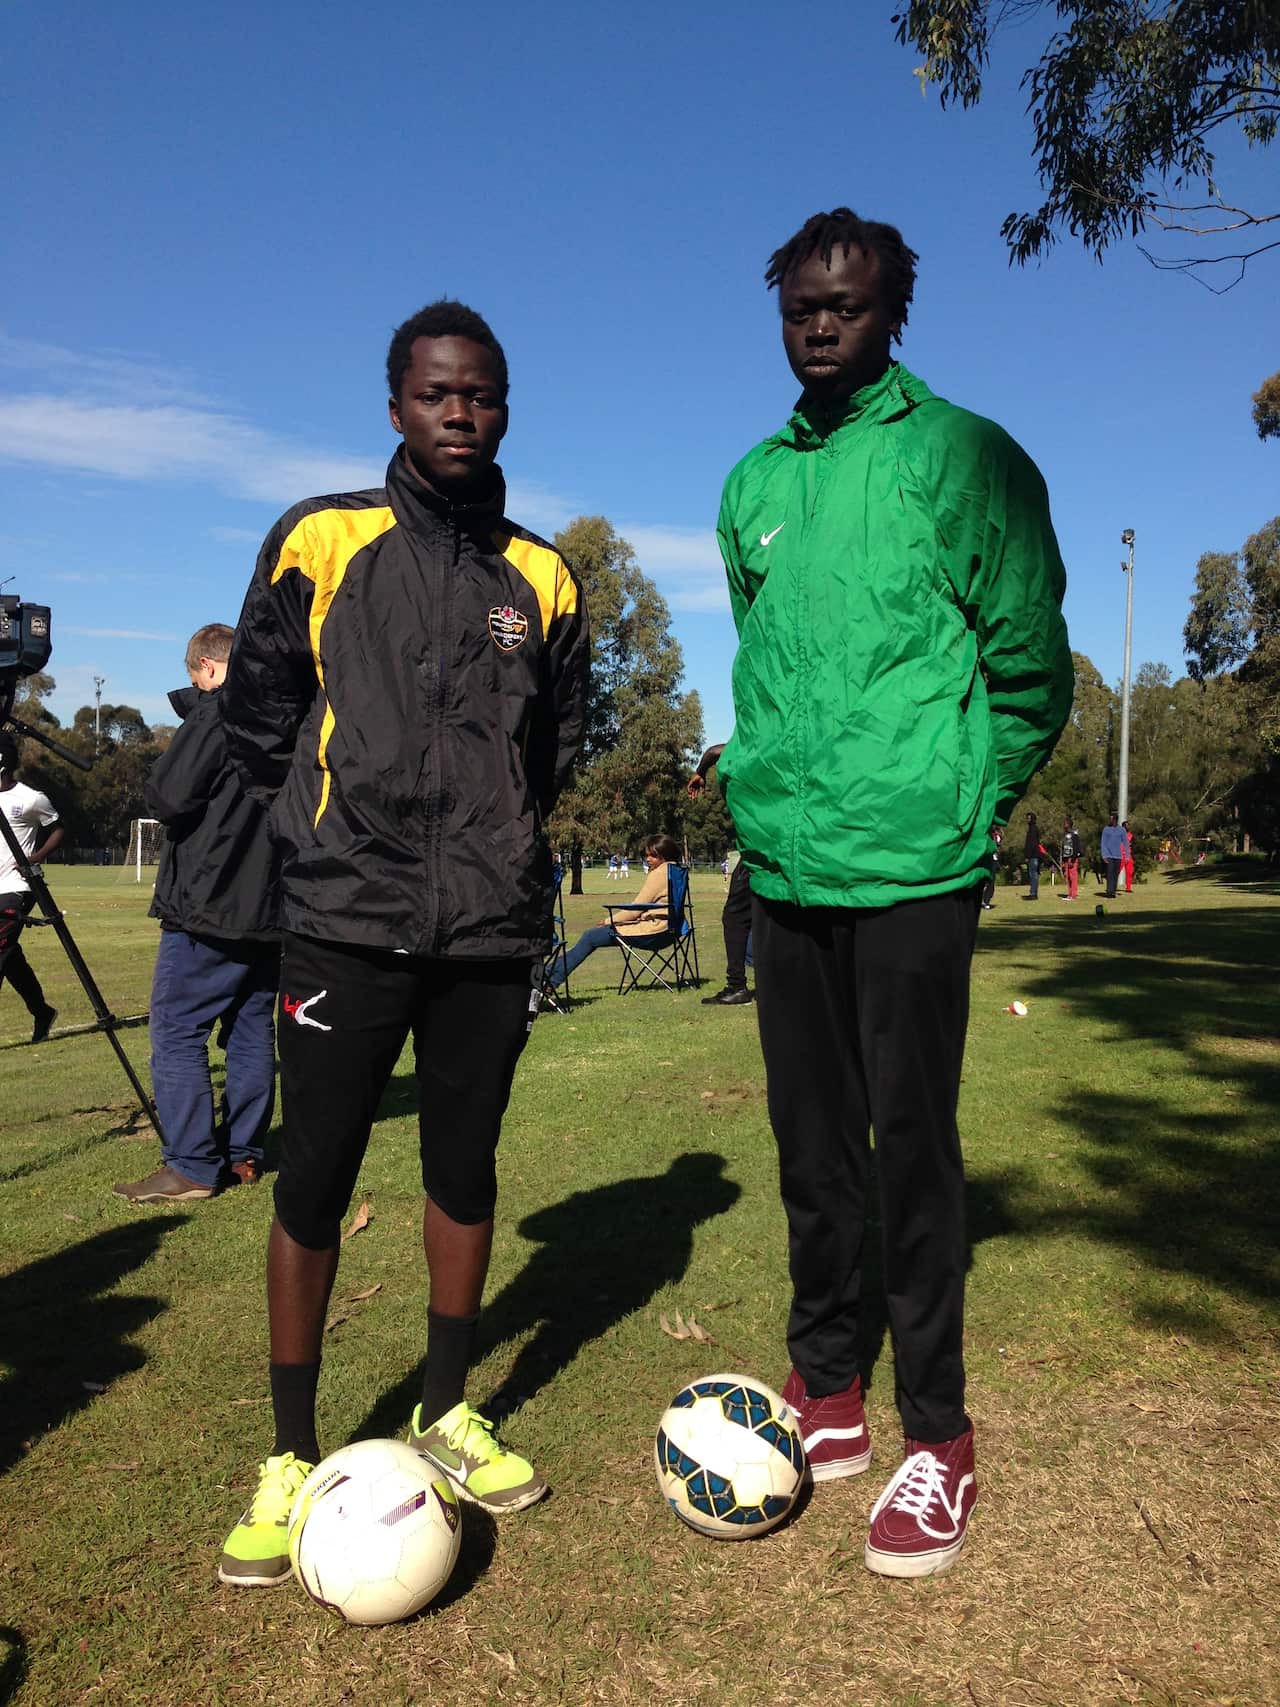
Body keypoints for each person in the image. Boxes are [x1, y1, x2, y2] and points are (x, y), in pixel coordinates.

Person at [715, 207, 1072, 1577]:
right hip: (790, 870)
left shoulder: (963, 455)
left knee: (910, 1145)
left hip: (917, 866)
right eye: (802, 301)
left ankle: (939, 1433)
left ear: (893, 312)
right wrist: (758, 786)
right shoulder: (752, 482)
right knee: (812, 1147)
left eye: (848, 304)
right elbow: (764, 661)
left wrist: (966, 800)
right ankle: (832, 1389)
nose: (822, 322)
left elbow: (1032, 660)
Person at [216, 299, 589, 1588]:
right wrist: (334, 827)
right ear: (394, 406)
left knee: (464, 1171)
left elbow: (548, 749)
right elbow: (263, 717)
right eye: (436, 394)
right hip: (345, 923)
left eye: (480, 395)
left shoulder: (543, 577)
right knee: (312, 1181)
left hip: (486, 928)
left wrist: (497, 841)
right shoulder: (320, 540)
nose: (460, 414)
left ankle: (448, 1410)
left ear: (502, 408)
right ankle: (286, 1453)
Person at [113, 624, 278, 1206]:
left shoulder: (220, 712)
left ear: (208, 668)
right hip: (269, 902)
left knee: (178, 1028)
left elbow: (169, 795)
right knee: (252, 1028)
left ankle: (190, 1165)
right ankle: (243, 1154)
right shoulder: (287, 711)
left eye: (195, 677)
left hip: (211, 901)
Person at [548, 835, 681, 986]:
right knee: (591, 937)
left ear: (664, 855)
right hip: (672, 931)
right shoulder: (676, 871)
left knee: (590, 936)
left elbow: (635, 910)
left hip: (654, 932)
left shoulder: (658, 874)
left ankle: (551, 979)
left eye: (653, 856)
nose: (648, 859)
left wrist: (608, 921)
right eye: (647, 855)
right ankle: (549, 972)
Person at [0, 733, 62, 1043]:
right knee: (8, 956)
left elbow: (58, 828)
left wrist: (33, 858)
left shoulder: (30, 798)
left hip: (16, 888)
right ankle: (42, 1011)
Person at [689, 742, 753, 1005]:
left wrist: (700, 772)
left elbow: (716, 751)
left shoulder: (755, 741)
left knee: (735, 916)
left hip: (759, 847)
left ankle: (736, 985)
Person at [1101, 813, 1125, 898]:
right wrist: (1104, 855)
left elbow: (1125, 843)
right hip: (1109, 856)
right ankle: (1109, 892)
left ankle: (1113, 891)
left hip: (1118, 856)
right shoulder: (1106, 829)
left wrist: (1127, 856)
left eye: (1111, 819)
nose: (1109, 820)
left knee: (1115, 874)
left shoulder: (1121, 830)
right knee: (1110, 873)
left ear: (1115, 820)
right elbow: (1103, 843)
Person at [1060, 816, 1083, 901]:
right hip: (1066, 859)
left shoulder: (1074, 835)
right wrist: (1063, 860)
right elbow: (1064, 848)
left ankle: (1073, 894)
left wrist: (1072, 859)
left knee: (1073, 877)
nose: (1064, 825)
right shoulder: (1065, 835)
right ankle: (1069, 894)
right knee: (1068, 877)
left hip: (1072, 859)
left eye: (1065, 823)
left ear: (1069, 824)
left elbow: (1076, 847)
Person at [980, 827, 1001, 910]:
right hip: (984, 860)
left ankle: (987, 900)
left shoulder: (997, 837)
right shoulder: (983, 836)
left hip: (993, 860)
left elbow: (998, 849)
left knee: (991, 882)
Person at [1023, 812, 1043, 900]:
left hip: (1033, 856)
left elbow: (1031, 844)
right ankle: (1033, 892)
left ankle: (1033, 893)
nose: (1027, 820)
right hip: (1033, 855)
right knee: (1033, 874)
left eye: (1029, 818)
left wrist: (1028, 856)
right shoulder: (1032, 829)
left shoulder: (1033, 829)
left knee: (1033, 874)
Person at [1121, 820, 1135, 892]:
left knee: (1130, 872)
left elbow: (1132, 845)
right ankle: (1112, 887)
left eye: (1128, 825)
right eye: (1126, 825)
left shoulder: (1131, 835)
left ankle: (1128, 888)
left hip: (1128, 855)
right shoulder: (1119, 834)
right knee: (1117, 871)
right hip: (1120, 855)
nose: (1127, 827)